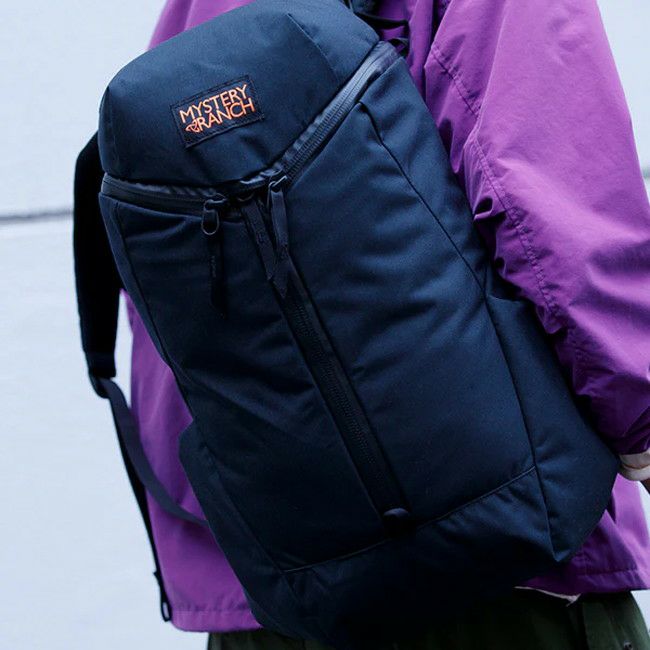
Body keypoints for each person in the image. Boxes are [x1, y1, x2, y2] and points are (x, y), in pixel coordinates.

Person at [122, 0, 650, 648]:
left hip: (279, 582)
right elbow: (547, 199)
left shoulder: (192, 12)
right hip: (499, 563)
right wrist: (638, 410)